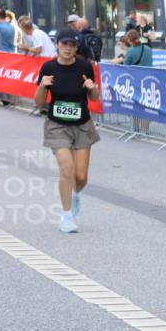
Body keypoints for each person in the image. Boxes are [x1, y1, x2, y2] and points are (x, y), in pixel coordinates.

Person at [34, 27, 101, 233]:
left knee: (80, 177)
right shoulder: (48, 67)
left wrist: (92, 88)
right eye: (65, 44)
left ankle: (75, 194)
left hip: (82, 125)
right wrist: (42, 86)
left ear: (76, 47)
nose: (68, 48)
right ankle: (66, 216)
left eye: (72, 45)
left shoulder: (84, 66)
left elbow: (94, 98)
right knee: (66, 169)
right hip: (57, 126)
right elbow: (39, 103)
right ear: (57, 45)